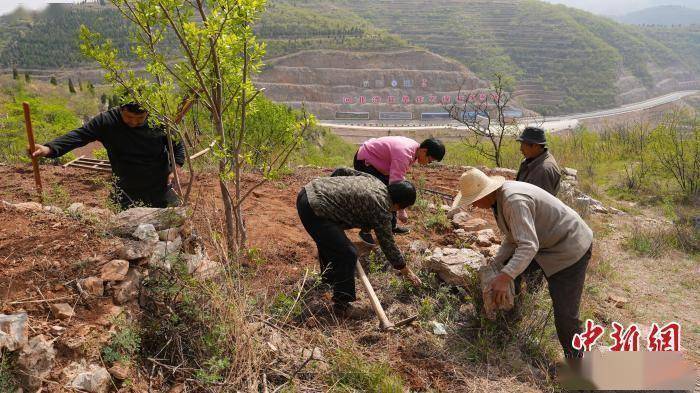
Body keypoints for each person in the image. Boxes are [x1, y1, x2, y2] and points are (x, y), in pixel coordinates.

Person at [452, 167, 593, 359]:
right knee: (509, 272)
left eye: (474, 201)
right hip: (546, 245)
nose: (475, 206)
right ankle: (506, 329)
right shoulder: (499, 199)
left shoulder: (513, 200)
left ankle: (579, 366)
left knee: (565, 314)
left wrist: (504, 276)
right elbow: (513, 238)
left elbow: (527, 246)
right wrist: (497, 263)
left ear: (485, 192)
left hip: (569, 247)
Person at [297, 167, 422, 316]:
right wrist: (406, 271)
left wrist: (333, 193)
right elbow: (388, 245)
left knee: (332, 243)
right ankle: (342, 305)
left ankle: (328, 279)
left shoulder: (376, 182)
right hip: (315, 209)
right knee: (348, 254)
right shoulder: (382, 209)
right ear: (399, 205)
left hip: (308, 191)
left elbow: (341, 171)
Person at [31, 102, 184, 210]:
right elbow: (80, 135)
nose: (134, 122)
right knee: (127, 229)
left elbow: (177, 145)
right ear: (121, 109)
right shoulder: (107, 121)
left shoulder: (159, 120)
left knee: (171, 224)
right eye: (129, 117)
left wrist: (175, 168)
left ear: (147, 113)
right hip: (126, 184)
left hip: (160, 183)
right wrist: (49, 148)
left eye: (140, 118)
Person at [353, 136, 445, 244]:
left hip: (378, 163)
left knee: (390, 192)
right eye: (430, 160)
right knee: (378, 196)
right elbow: (396, 184)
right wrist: (402, 211)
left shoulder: (415, 149)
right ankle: (365, 231)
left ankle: (392, 226)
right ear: (424, 151)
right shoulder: (404, 153)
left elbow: (397, 178)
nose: (428, 163)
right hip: (365, 161)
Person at [516, 126, 561, 196]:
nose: (521, 149)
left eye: (523, 145)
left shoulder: (544, 170)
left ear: (535, 146)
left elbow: (540, 203)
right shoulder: (530, 160)